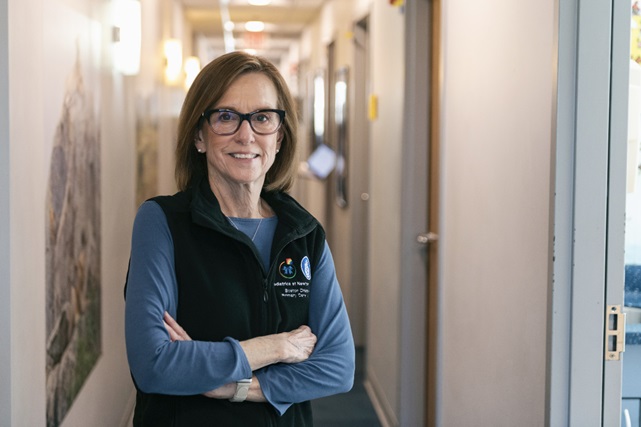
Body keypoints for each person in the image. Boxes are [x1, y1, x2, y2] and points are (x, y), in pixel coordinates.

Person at [124, 51, 355, 427]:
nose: (246, 134)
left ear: (279, 136)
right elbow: (154, 365)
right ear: (199, 135)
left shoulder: (304, 233)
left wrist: (231, 385)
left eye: (263, 117)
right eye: (226, 117)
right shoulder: (163, 222)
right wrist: (273, 347)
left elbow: (338, 367)